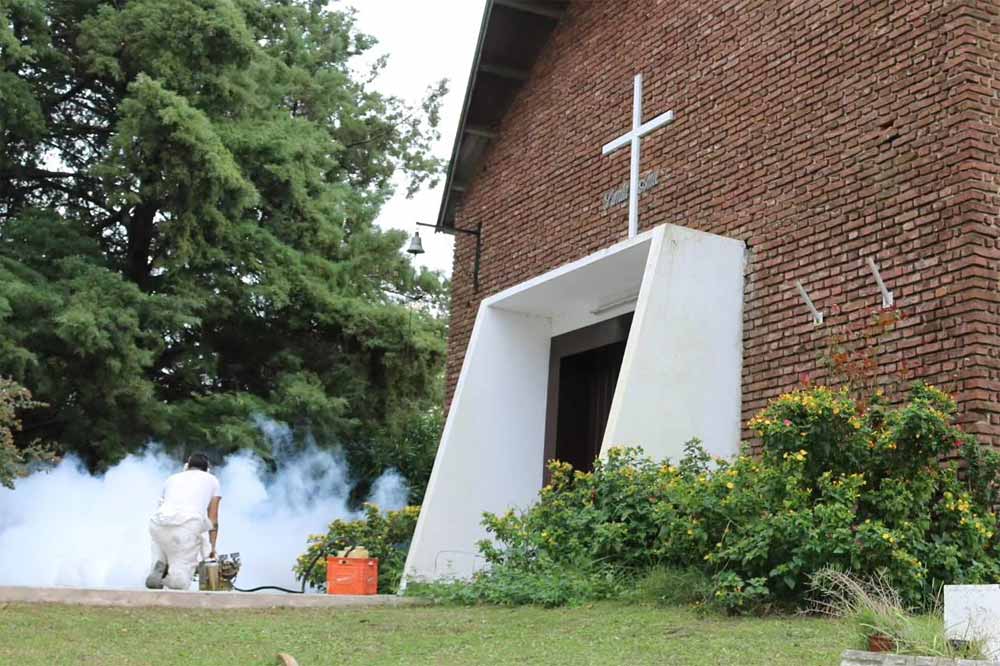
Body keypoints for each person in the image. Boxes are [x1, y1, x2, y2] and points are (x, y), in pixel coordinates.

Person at [145, 453, 222, 590]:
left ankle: (161, 567)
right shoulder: (212, 480)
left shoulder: (171, 479)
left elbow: (161, 505)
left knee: (163, 555)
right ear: (207, 469)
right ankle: (166, 579)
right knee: (181, 582)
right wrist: (212, 549)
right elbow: (213, 519)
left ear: (187, 466)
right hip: (186, 527)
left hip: (157, 524)